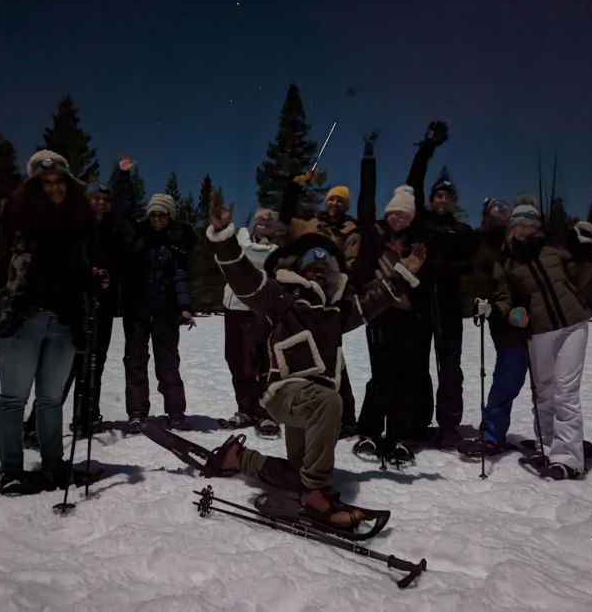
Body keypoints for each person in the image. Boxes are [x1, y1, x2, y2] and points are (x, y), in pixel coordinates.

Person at [205, 191, 426, 527]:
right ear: (299, 266)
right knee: (329, 404)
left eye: (326, 265)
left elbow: (372, 301)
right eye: (313, 262)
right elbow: (244, 278)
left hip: (310, 407)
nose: (320, 269)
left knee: (301, 474)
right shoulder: (281, 298)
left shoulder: (337, 312)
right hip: (285, 394)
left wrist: (401, 276)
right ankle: (316, 497)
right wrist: (224, 239)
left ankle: (241, 459)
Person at [0, 150, 96, 495]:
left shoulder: (78, 222)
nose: (53, 188)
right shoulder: (15, 217)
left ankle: (54, 466)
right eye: (45, 182)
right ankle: (11, 471)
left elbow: (80, 269)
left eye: (59, 181)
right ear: (34, 186)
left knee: (51, 400)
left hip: (64, 322)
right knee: (13, 398)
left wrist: (95, 279)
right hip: (23, 319)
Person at [475, 199, 592, 479]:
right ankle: (546, 448)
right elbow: (504, 299)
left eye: (532, 224)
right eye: (521, 224)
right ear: (512, 228)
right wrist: (494, 309)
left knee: (565, 390)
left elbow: (579, 278)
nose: (527, 230)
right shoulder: (506, 262)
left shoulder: (554, 250)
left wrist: (586, 249)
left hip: (573, 324)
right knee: (543, 392)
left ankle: (568, 459)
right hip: (539, 331)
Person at [351, 132, 433, 462]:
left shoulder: (417, 242)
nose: (398, 218)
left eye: (405, 214)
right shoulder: (374, 236)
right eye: (394, 213)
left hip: (409, 316)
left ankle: (399, 436)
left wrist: (424, 152)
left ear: (413, 218)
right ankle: (370, 433)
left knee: (404, 376)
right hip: (378, 313)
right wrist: (369, 157)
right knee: (380, 375)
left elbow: (415, 184)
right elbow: (366, 199)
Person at [23, 183, 123, 443]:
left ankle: (85, 418)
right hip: (74, 306)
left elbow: (122, 266)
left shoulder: (114, 232)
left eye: (105, 199)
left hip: (103, 306)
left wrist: (112, 279)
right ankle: (36, 424)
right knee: (64, 367)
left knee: (94, 364)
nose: (100, 203)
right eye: (95, 198)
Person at [279, 172, 362, 436]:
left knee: (334, 355)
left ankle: (346, 416)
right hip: (303, 297)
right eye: (332, 199)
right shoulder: (310, 224)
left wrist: (336, 285)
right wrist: (295, 186)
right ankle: (306, 409)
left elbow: (351, 263)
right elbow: (284, 216)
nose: (334, 203)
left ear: (345, 206)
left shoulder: (351, 230)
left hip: (332, 300)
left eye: (340, 201)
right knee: (304, 354)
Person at [409, 122, 475, 448]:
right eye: (438, 194)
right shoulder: (420, 222)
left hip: (449, 308)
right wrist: (426, 149)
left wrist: (443, 266)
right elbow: (414, 183)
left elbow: (471, 265)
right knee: (419, 367)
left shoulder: (462, 231)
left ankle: (448, 426)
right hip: (420, 307)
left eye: (448, 195)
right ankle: (420, 422)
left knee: (450, 369)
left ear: (455, 201)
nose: (442, 199)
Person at [119, 169, 197, 433]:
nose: (156, 219)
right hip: (137, 313)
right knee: (135, 363)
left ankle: (176, 414)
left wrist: (185, 307)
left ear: (169, 216)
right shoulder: (140, 238)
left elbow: (180, 278)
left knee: (168, 365)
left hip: (165, 314)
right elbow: (128, 204)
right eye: (153, 214)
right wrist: (124, 176)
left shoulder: (176, 244)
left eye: (161, 214)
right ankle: (137, 413)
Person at [466, 198, 529, 455]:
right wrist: (493, 310)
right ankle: (491, 433)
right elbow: (482, 292)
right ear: (485, 216)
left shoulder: (524, 241)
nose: (500, 213)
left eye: (504, 209)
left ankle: (554, 436)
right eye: (495, 209)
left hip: (542, 323)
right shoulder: (483, 249)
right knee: (507, 381)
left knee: (548, 385)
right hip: (508, 326)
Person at [221, 207, 283, 436]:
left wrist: (243, 240)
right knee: (236, 359)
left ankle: (267, 413)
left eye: (269, 224)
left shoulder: (275, 249)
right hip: (234, 307)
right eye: (260, 222)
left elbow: (252, 252)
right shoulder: (240, 240)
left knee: (261, 362)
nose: (264, 226)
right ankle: (245, 408)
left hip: (259, 309)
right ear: (253, 224)